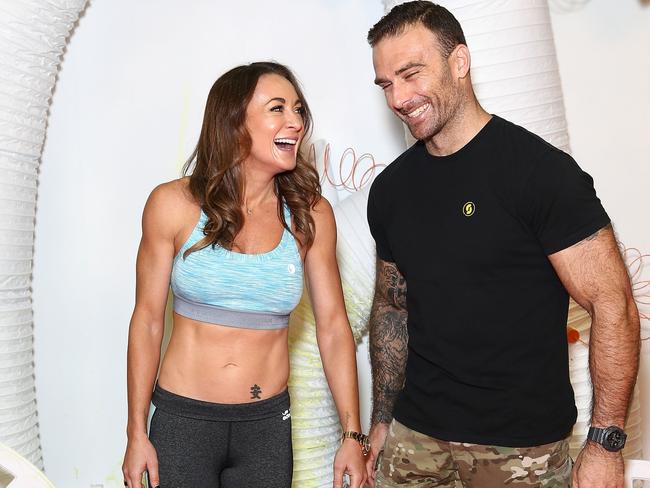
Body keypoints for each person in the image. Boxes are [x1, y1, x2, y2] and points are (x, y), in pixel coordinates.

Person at [364, 2, 640, 487]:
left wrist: (605, 443)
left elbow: (612, 303)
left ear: (459, 62)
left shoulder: (541, 174)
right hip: (417, 438)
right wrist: (383, 419)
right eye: (387, 84)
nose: (399, 98)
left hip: (522, 449)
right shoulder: (389, 192)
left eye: (410, 74)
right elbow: (392, 307)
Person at [121, 62, 368, 488]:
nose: (295, 122)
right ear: (235, 123)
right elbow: (146, 321)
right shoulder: (172, 205)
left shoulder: (311, 216)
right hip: (184, 422)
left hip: (266, 428)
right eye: (278, 109)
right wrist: (136, 431)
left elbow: (333, 327)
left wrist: (352, 434)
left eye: (298, 110)